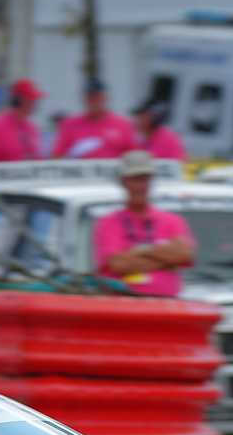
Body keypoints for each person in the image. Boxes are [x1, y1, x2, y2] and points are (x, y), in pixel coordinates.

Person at [92, 151, 195, 297]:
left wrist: (140, 252)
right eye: (135, 179)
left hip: (167, 306)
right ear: (123, 182)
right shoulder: (108, 223)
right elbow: (118, 265)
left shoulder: (173, 221)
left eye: (145, 179)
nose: (141, 186)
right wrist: (166, 261)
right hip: (123, 304)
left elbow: (185, 255)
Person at [53, 79, 136, 159]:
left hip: (115, 172)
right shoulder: (69, 124)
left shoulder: (122, 124)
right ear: (84, 99)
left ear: (105, 98)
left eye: (97, 97)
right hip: (79, 172)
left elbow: (133, 154)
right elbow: (57, 156)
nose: (94, 101)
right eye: (90, 97)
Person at [0, 78, 45, 165]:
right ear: (18, 100)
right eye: (31, 99)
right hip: (2, 177)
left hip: (28, 177)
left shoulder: (32, 128)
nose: (34, 103)